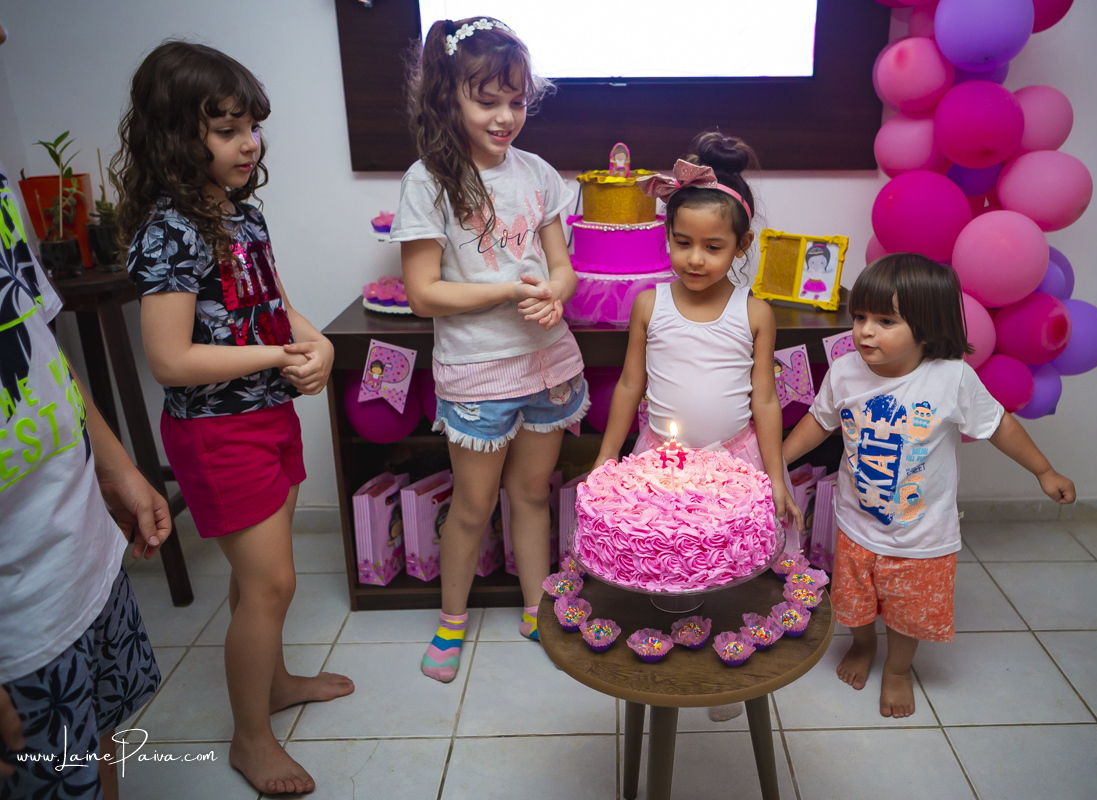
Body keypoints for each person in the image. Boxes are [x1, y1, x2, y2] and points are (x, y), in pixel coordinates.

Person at [117, 41, 353, 794]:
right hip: (216, 433)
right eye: (226, 130)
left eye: (251, 126)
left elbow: (274, 304)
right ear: (174, 137)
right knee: (271, 584)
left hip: (267, 415)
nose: (248, 143)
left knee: (263, 584)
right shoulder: (169, 229)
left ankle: (274, 684)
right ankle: (251, 740)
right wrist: (279, 356)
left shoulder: (240, 214)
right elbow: (169, 359)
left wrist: (317, 345)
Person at [782, 253, 1076, 718]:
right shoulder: (844, 371)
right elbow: (819, 422)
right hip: (857, 524)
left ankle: (898, 669)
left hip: (922, 536)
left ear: (925, 326)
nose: (865, 332)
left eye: (885, 321)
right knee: (854, 603)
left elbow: (999, 426)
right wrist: (774, 461)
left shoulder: (951, 378)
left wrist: (1044, 471)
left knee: (908, 612)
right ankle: (863, 645)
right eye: (860, 318)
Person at [392, 17, 588, 682]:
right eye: (488, 100)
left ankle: (537, 611)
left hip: (548, 364)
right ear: (448, 96)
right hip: (477, 372)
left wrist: (553, 295)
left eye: (516, 101)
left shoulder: (539, 174)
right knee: (473, 506)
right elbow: (423, 293)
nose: (506, 117)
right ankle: (451, 622)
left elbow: (562, 270)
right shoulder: (427, 181)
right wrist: (508, 291)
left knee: (532, 493)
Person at [592, 131, 801, 722]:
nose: (695, 259)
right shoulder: (649, 304)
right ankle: (667, 655)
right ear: (667, 237)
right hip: (660, 458)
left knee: (730, 570)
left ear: (742, 245)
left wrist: (776, 475)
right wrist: (607, 456)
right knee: (670, 563)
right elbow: (629, 386)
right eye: (682, 243)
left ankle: (727, 666)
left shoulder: (755, 312)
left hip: (737, 460)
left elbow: (765, 400)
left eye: (713, 246)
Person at [0, 158, 167, 797]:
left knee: (99, 751)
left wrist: (114, 463)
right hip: (16, 613)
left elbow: (37, 337)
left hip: (78, 550)